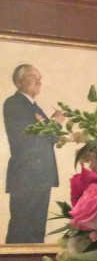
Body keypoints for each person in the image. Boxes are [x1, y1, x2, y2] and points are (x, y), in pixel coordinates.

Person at [3, 64, 62, 243]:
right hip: (26, 176)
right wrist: (54, 123)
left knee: (37, 229)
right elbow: (27, 138)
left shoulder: (34, 107)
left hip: (42, 176)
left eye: (39, 77)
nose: (39, 81)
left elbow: (52, 138)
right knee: (21, 227)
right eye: (32, 76)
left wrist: (52, 125)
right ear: (18, 81)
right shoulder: (14, 103)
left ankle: (33, 260)